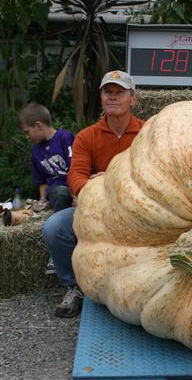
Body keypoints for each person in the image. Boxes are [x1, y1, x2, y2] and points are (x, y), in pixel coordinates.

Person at [43, 70, 144, 318]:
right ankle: (74, 286)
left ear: (133, 99)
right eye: (107, 92)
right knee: (54, 227)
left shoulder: (147, 132)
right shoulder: (87, 136)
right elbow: (75, 176)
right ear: (101, 98)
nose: (112, 97)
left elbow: (161, 171)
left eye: (119, 92)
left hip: (140, 208)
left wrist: (109, 179)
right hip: (97, 207)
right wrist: (91, 189)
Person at [18, 102, 75, 213]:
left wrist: (76, 195)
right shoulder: (36, 151)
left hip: (74, 185)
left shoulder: (65, 138)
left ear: (38, 125)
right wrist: (42, 200)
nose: (27, 136)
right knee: (61, 192)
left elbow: (76, 168)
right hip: (56, 191)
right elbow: (41, 181)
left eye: (27, 132)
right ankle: (59, 225)